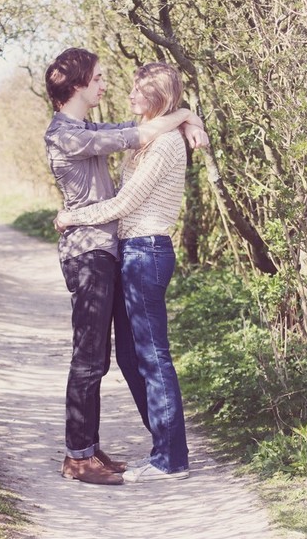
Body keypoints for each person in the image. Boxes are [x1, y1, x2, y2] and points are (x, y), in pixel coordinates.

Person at [44, 48, 207, 486]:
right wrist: (185, 116)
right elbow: (128, 137)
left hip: (129, 248)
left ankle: (162, 454)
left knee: (136, 356)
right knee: (99, 357)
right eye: (99, 78)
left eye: (137, 87)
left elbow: (129, 160)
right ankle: (86, 456)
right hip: (94, 249)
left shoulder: (122, 134)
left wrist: (188, 115)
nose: (109, 86)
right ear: (78, 84)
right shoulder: (69, 134)